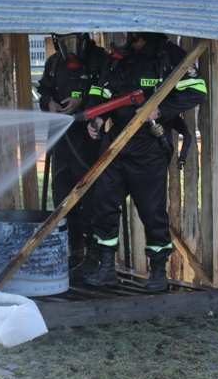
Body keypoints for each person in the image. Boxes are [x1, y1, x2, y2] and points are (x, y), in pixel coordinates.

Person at [82, 32, 207, 292]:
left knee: (152, 212)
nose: (131, 38)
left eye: (137, 35)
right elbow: (100, 91)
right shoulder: (119, 58)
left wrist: (161, 110)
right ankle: (106, 267)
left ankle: (158, 272)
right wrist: (95, 117)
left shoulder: (169, 57)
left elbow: (197, 90)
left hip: (149, 149)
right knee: (103, 205)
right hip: (115, 146)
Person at [37, 32, 108, 267]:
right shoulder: (54, 63)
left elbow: (104, 91)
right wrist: (49, 104)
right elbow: (44, 89)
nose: (71, 48)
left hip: (88, 141)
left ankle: (93, 254)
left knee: (90, 196)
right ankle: (73, 251)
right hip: (60, 141)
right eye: (65, 42)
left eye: (74, 41)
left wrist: (83, 104)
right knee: (62, 197)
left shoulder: (99, 59)